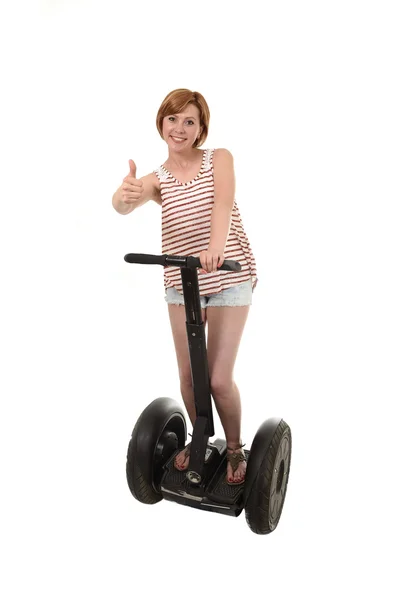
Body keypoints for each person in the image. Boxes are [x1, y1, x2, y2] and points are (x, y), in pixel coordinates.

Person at [112, 88, 258, 485]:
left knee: (217, 379)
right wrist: (123, 197)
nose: (179, 128)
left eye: (189, 121)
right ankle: (200, 439)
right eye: (172, 119)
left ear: (200, 129)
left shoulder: (219, 159)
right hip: (182, 280)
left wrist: (213, 249)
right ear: (162, 123)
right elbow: (125, 203)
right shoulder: (157, 179)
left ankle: (233, 449)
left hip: (228, 275)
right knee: (190, 378)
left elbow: (223, 204)